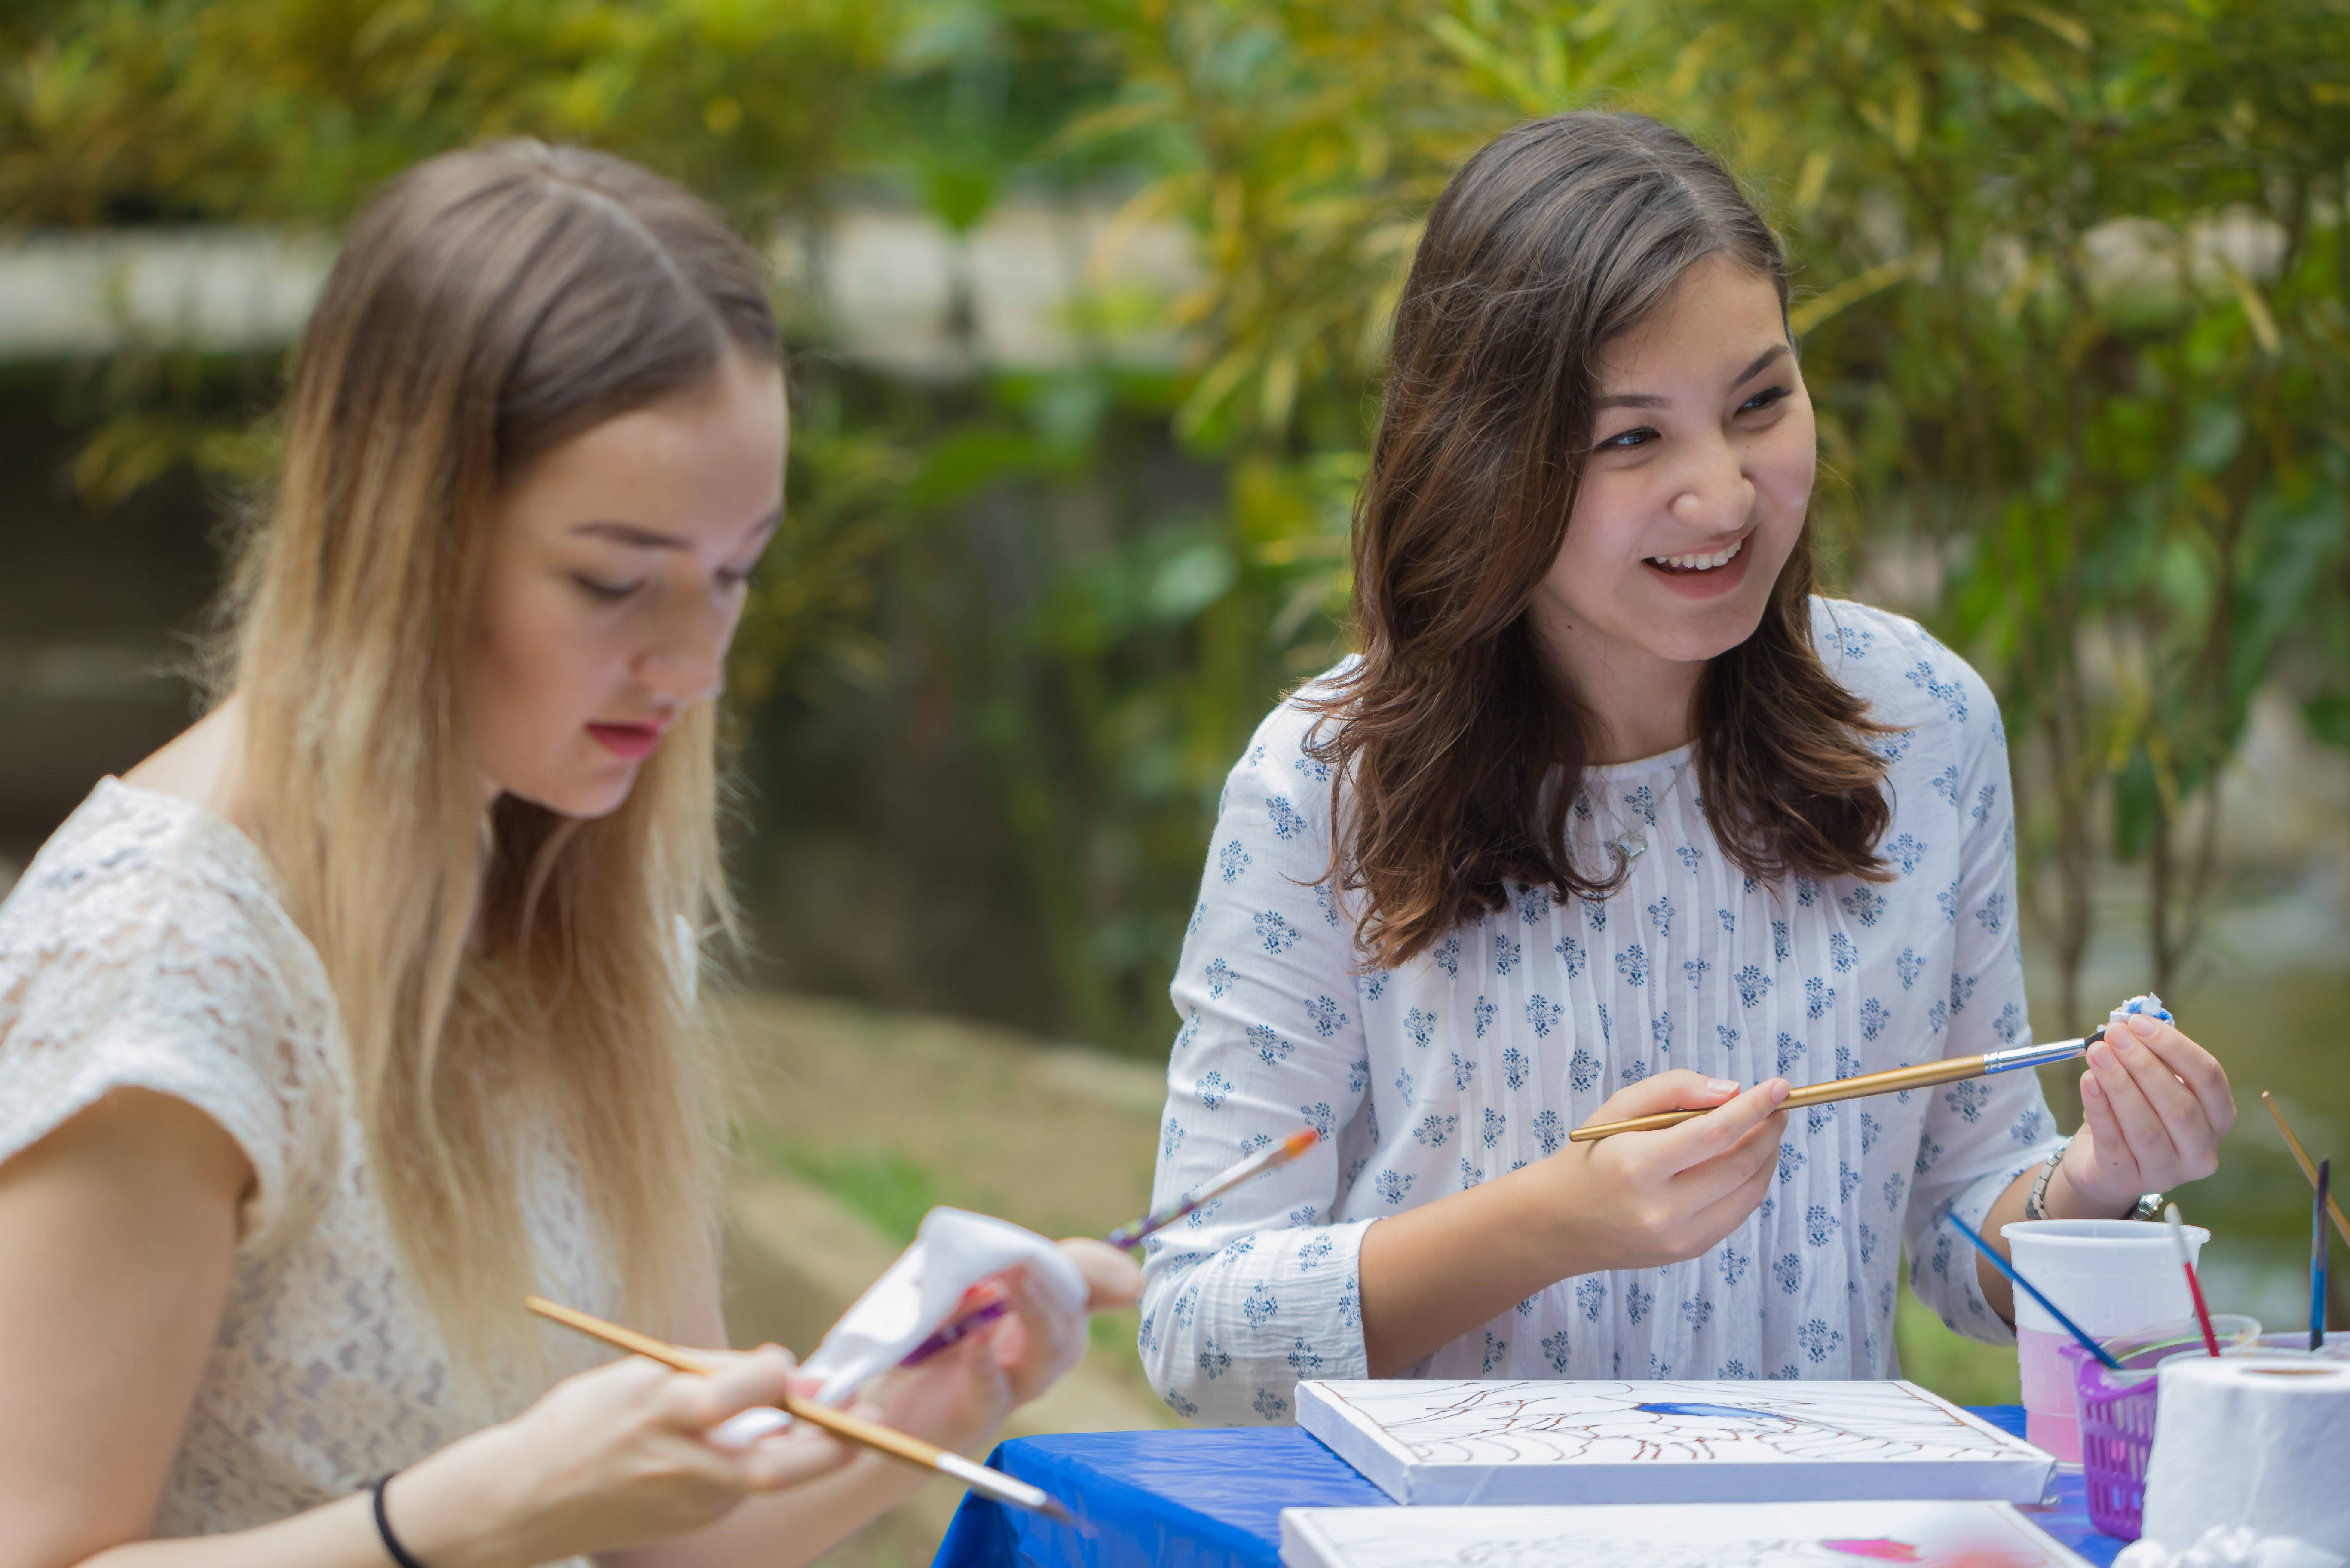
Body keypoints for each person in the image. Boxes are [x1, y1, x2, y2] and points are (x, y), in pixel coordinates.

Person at [0, 141, 1137, 1567]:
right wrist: (469, 1515)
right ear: (403, 540)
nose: (692, 662)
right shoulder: (167, 953)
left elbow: (674, 1531)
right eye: (614, 580)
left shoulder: (567, 876)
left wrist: (935, 1396)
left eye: (736, 572)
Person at [1137, 111, 2234, 1425]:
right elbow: (1195, 1330)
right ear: (1483, 459)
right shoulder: (1322, 785)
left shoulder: (1922, 726)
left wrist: (2098, 1178)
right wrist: (1549, 1224)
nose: (1721, 497)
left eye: (1759, 403)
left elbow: (1960, 1240)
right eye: (1629, 440)